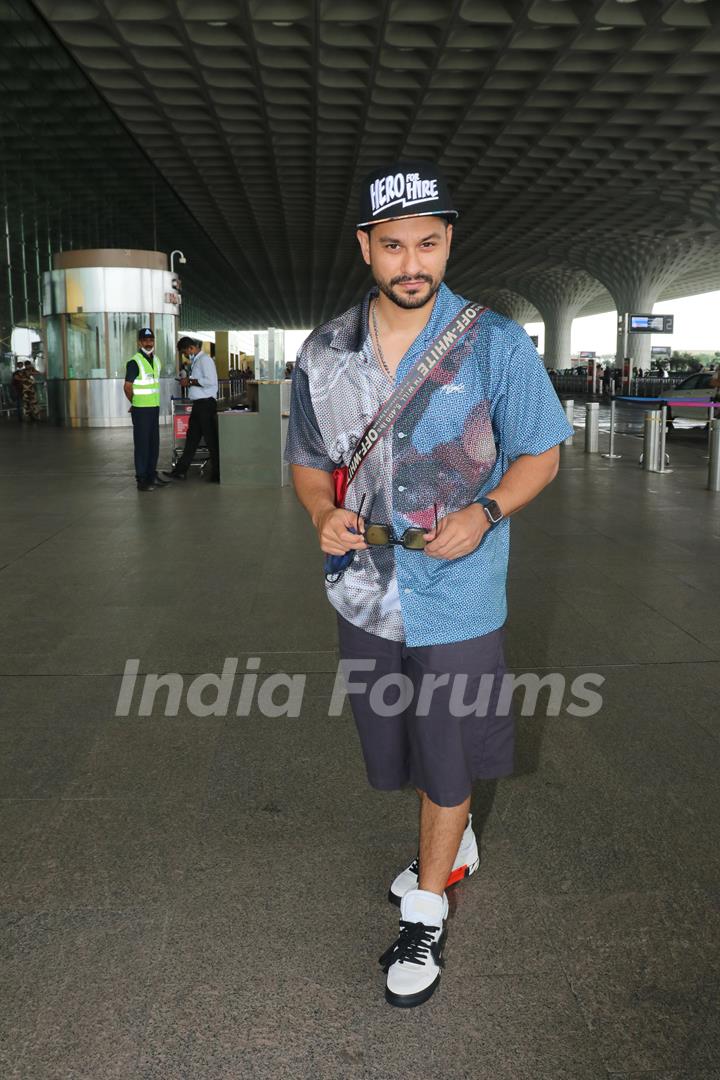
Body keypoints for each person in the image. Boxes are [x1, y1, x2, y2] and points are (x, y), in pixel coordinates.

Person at [285, 160, 573, 1009]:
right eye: (395, 245)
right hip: (366, 585)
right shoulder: (324, 351)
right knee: (398, 740)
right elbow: (307, 463)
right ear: (367, 248)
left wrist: (485, 513)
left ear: (448, 243)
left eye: (430, 244)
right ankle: (455, 841)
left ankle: (428, 901)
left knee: (446, 744)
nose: (413, 262)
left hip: (461, 586)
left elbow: (542, 452)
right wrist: (317, 515)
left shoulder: (495, 340)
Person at [164, 337, 219, 482]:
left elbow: (210, 381)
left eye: (185, 352)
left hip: (205, 405)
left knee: (211, 440)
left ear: (191, 348)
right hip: (199, 405)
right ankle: (180, 471)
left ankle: (218, 473)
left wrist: (190, 381)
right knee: (192, 439)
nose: (185, 356)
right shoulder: (197, 361)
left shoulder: (205, 360)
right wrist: (190, 382)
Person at [123, 327, 166, 492]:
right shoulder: (135, 362)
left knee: (154, 444)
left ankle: (151, 475)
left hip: (154, 408)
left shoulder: (156, 361)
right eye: (145, 340)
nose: (149, 343)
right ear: (139, 342)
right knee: (142, 445)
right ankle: (142, 479)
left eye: (151, 340)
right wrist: (134, 403)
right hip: (141, 410)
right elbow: (127, 387)